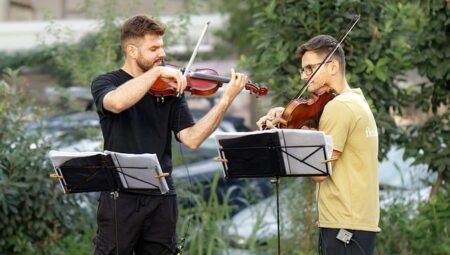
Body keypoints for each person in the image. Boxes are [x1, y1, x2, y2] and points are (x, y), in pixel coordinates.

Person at [90, 15, 248, 255]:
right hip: (119, 197)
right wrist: (155, 74)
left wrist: (225, 101)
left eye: (162, 47)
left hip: (161, 194)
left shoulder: (172, 88)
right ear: (132, 51)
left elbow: (192, 138)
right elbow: (117, 103)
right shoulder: (106, 82)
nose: (161, 55)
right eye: (153, 48)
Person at [256, 34, 380, 255]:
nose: (304, 77)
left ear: (332, 66)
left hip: (344, 223)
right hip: (357, 222)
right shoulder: (355, 100)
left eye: (310, 68)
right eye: (302, 70)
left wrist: (285, 135)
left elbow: (320, 171)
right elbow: (322, 132)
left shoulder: (338, 108)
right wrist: (286, 118)